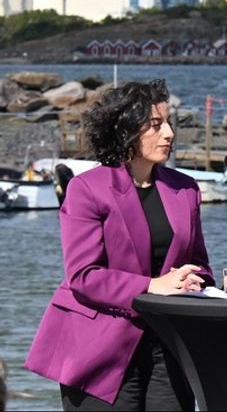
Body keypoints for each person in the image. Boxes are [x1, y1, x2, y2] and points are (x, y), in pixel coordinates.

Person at [25, 79, 212, 410]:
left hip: (168, 347)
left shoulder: (186, 188)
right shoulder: (87, 189)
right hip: (98, 348)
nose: (169, 133)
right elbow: (84, 276)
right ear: (126, 129)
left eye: (169, 123)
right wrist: (153, 285)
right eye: (156, 124)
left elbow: (200, 263)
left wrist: (194, 279)